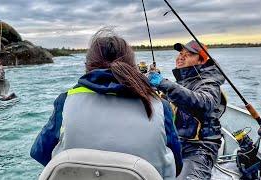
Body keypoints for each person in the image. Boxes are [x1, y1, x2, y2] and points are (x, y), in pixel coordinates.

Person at [30, 29, 178, 179]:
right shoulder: (161, 106)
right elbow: (177, 165)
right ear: (132, 66)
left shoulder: (65, 101)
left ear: (87, 65)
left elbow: (39, 152)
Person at [148, 40, 227, 179]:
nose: (181, 57)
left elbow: (204, 103)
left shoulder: (209, 82)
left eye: (189, 54)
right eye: (180, 53)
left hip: (200, 148)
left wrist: (164, 83)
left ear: (201, 60)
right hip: (176, 143)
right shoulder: (182, 82)